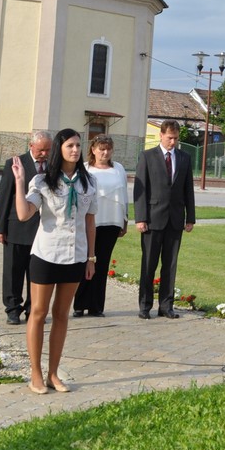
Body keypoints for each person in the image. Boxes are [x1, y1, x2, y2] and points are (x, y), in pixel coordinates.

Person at [10, 128, 97, 394]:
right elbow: (24, 214)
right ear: (59, 149)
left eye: (78, 145)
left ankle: (53, 374)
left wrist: (91, 258)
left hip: (75, 256)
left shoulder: (89, 182)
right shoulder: (43, 181)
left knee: (61, 315)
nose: (75, 150)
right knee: (38, 313)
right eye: (70, 145)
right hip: (47, 255)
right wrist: (20, 181)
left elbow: (90, 221)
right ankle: (35, 374)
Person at [134, 120, 195, 319]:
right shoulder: (147, 156)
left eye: (176, 138)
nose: (173, 142)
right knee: (149, 264)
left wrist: (190, 218)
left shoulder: (184, 158)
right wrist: (140, 218)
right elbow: (140, 190)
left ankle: (166, 306)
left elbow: (188, 189)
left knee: (170, 265)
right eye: (170, 138)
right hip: (152, 220)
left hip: (175, 220)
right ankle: (145, 306)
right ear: (161, 135)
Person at [0, 131, 50, 325]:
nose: (44, 154)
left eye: (48, 150)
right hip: (17, 227)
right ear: (31, 146)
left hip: (43, 230)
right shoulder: (15, 163)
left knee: (37, 273)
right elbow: (4, 196)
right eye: (41, 149)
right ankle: (12, 309)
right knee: (13, 271)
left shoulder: (53, 166)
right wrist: (0, 228)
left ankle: (33, 309)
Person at [73, 135, 128, 318]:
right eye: (101, 149)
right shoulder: (85, 168)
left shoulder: (118, 168)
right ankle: (80, 304)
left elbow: (124, 195)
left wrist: (125, 219)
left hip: (112, 221)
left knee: (102, 263)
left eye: (108, 149)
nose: (105, 153)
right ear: (93, 149)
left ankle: (96, 306)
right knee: (85, 261)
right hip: (90, 221)